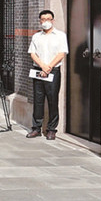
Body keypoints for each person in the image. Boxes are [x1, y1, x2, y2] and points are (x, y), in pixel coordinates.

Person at [27, 10, 69, 141]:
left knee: (52, 100)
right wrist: (42, 66)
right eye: (43, 19)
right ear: (40, 21)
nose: (46, 22)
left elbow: (61, 53)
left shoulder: (60, 35)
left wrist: (48, 67)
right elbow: (32, 53)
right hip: (38, 71)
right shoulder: (36, 36)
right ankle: (36, 128)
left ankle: (51, 129)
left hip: (53, 71)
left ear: (53, 20)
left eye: (48, 19)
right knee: (38, 100)